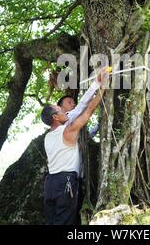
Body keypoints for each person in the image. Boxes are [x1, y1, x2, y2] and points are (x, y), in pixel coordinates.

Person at [40, 68, 108, 225]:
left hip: (50, 184)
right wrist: (103, 88)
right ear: (56, 117)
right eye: (61, 110)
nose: (65, 111)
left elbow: (81, 105)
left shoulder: (48, 136)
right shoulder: (68, 130)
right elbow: (88, 110)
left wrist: (96, 83)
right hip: (66, 182)